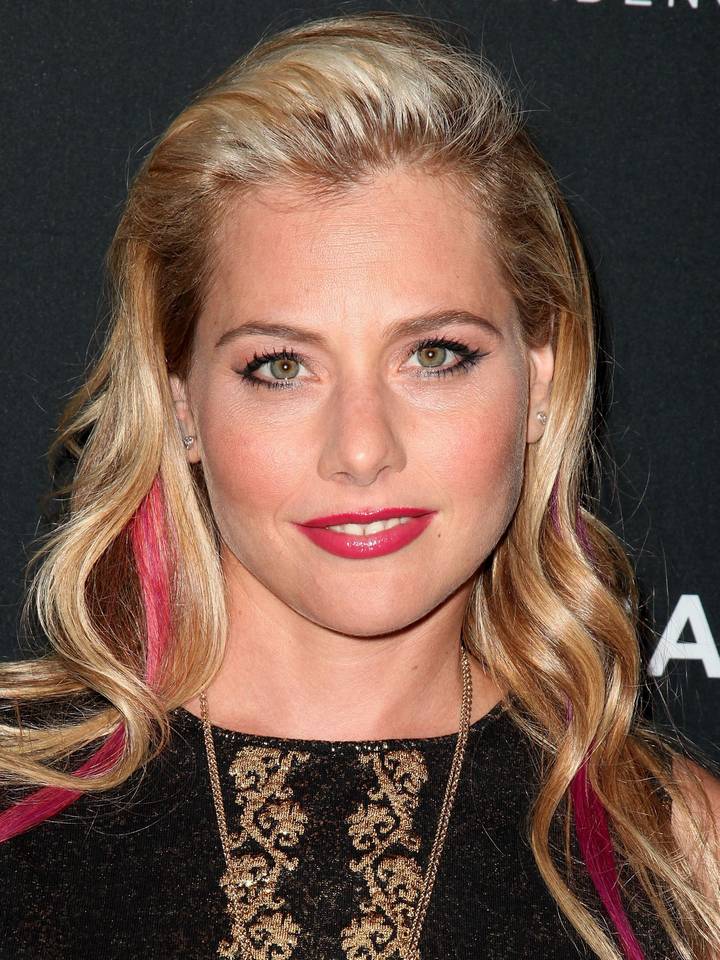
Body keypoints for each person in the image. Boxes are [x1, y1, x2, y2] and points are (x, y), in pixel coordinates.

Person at [0, 11, 718, 960]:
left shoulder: (682, 853)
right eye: (281, 367)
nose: (363, 450)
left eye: (435, 354)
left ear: (540, 382)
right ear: (182, 404)